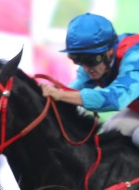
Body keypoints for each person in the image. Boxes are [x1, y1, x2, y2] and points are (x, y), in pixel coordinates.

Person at [41, 13, 139, 148]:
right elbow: (71, 90)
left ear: (109, 51)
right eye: (78, 60)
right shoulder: (96, 61)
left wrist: (61, 95)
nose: (86, 69)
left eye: (90, 60)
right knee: (110, 131)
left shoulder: (134, 55)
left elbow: (116, 99)